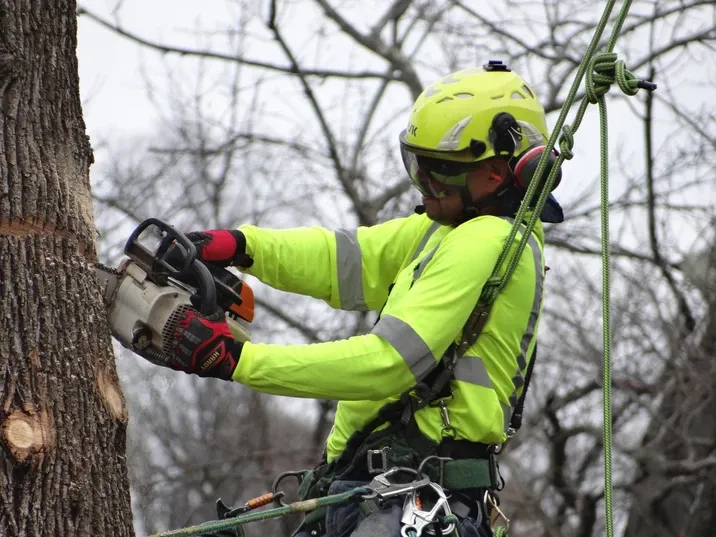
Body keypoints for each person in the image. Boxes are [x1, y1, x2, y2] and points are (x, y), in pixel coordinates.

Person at [150, 61, 564, 537]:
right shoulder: (445, 230)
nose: (423, 186)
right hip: (374, 492)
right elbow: (345, 260)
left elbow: (387, 362)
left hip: (416, 495)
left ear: (494, 176)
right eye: (417, 167)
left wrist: (236, 359)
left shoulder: (488, 239)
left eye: (437, 175)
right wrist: (244, 245)